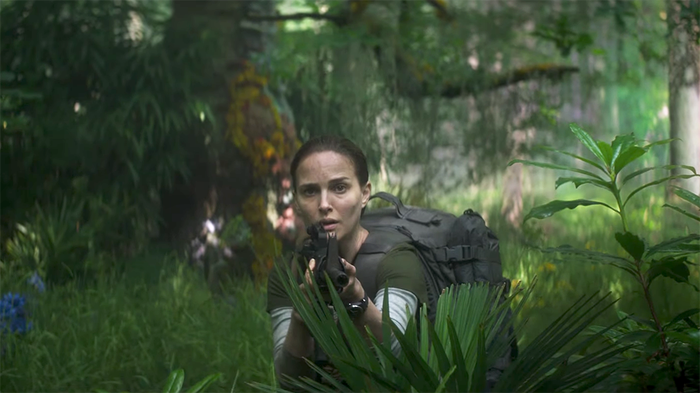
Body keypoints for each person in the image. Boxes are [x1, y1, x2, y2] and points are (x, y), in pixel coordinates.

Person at [266, 135, 429, 390]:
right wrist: (301, 317)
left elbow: (401, 359)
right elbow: (288, 381)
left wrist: (358, 302)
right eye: (310, 191)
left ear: (364, 194)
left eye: (339, 188)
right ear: (296, 200)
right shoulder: (289, 272)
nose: (324, 204)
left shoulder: (395, 258)